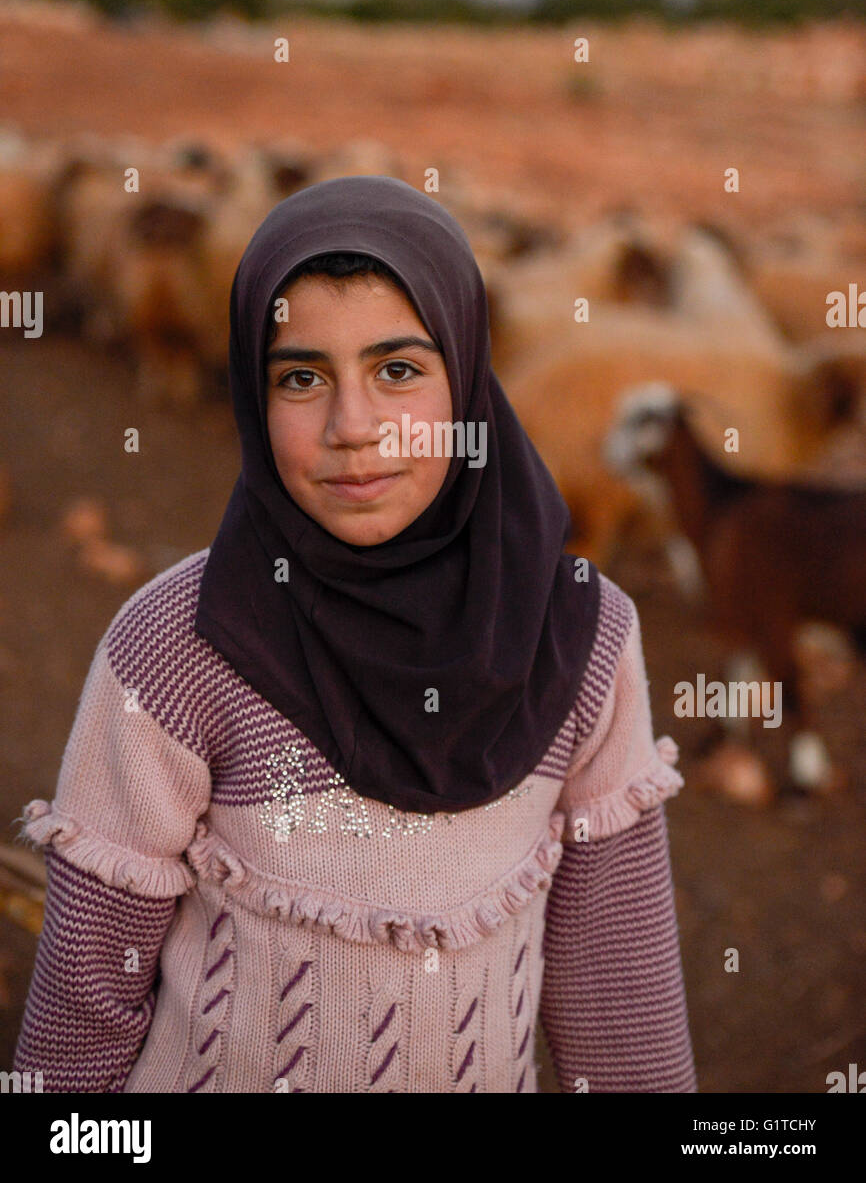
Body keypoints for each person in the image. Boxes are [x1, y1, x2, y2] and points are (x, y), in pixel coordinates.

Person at [13, 175, 697, 1093]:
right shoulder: (179, 646)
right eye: (301, 377)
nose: (353, 427)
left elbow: (618, 991)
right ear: (252, 403)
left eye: (399, 370)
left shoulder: (580, 635)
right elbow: (86, 1001)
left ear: (470, 380)